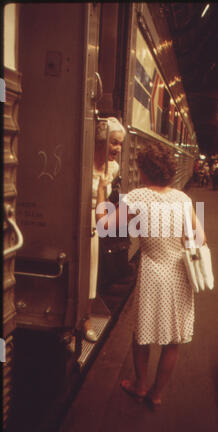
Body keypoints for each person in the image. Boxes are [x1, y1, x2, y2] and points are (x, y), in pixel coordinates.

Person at [96, 142, 207, 409]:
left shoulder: (138, 197)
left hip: (153, 273)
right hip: (180, 273)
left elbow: (104, 226)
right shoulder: (182, 199)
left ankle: (140, 384)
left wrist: (101, 192)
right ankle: (156, 393)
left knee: (141, 333)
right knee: (173, 340)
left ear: (145, 169)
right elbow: (201, 239)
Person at [84, 117, 126, 342]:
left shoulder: (114, 168)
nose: (118, 149)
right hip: (79, 220)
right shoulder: (83, 160)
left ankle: (86, 319)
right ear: (101, 141)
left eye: (120, 144)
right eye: (114, 143)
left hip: (97, 224)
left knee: (92, 273)